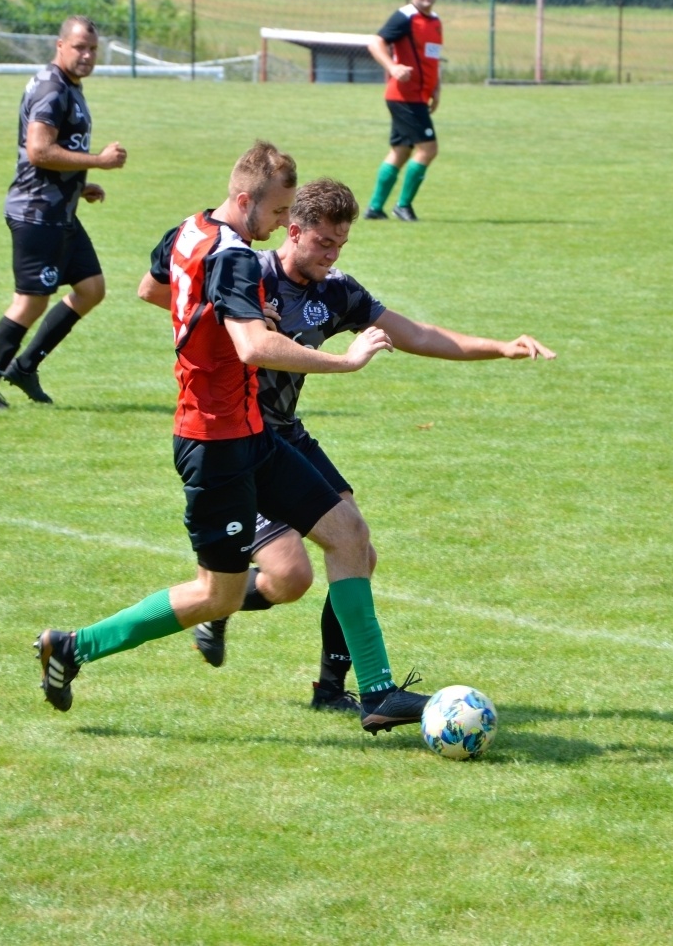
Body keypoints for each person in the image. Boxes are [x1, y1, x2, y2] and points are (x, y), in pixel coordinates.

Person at [34, 143, 433, 737]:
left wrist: (218, 317)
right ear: (246, 201)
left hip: (254, 432)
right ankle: (74, 646)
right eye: (277, 213)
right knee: (215, 596)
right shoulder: (238, 259)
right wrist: (346, 362)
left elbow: (155, 289)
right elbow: (252, 348)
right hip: (214, 443)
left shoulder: (187, 232)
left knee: (348, 532)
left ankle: (375, 691)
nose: (281, 226)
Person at [157, 179, 554, 711]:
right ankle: (217, 605)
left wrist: (499, 348)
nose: (332, 254)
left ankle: (333, 690)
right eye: (323, 243)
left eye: (340, 245)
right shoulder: (247, 274)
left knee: (357, 547)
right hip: (240, 440)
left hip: (287, 435)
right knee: (292, 575)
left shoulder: (335, 290)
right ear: (293, 231)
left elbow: (416, 334)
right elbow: (173, 296)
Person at [0, 15, 127, 409]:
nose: (87, 55)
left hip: (61, 210)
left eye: (92, 49)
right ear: (60, 46)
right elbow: (38, 150)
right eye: (79, 48)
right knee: (30, 301)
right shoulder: (53, 88)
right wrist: (99, 161)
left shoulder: (69, 86)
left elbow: (49, 152)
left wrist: (80, 183)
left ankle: (25, 367)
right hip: (37, 214)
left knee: (91, 289)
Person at [363, 0, 442, 223]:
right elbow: (375, 42)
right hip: (404, 96)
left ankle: (375, 208)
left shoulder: (435, 21)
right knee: (428, 149)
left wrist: (436, 87)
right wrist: (392, 67)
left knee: (401, 151)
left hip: (418, 96)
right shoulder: (405, 16)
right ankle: (403, 205)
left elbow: (431, 58)